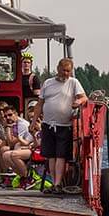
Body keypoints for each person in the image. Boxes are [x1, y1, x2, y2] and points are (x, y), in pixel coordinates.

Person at [29, 57, 87, 193]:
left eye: (68, 71)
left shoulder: (74, 83)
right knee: (51, 156)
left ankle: (58, 184)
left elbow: (84, 97)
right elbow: (39, 104)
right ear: (58, 69)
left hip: (64, 125)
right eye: (63, 70)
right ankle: (54, 184)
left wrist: (78, 102)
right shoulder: (48, 83)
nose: (66, 73)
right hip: (48, 124)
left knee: (61, 155)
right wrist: (33, 122)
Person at [0, 105, 33, 180]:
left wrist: (7, 127)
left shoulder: (22, 124)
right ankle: (19, 176)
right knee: (4, 154)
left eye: (10, 115)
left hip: (28, 146)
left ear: (16, 114)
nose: (8, 117)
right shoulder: (13, 124)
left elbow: (11, 143)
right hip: (20, 146)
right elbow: (9, 142)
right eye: (5, 116)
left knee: (8, 151)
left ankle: (27, 177)